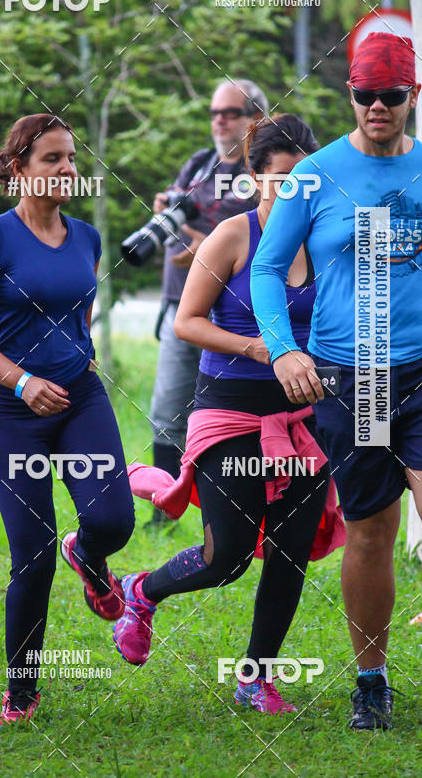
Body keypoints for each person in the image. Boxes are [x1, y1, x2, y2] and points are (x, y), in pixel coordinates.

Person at [251, 33, 422, 730]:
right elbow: (265, 269)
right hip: (356, 375)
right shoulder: (314, 175)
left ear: (414, 96)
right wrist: (284, 350)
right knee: (371, 530)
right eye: (365, 95)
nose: (378, 107)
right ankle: (371, 679)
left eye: (391, 96)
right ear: (350, 95)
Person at [113, 115, 345, 714]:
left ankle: (255, 677)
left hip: (304, 420)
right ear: (255, 178)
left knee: (292, 554)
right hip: (230, 414)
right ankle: (142, 589)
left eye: (308, 180)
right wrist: (256, 346)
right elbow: (187, 322)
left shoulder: (328, 241)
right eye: (283, 180)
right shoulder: (233, 237)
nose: (296, 192)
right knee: (229, 558)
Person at [0, 114, 134, 723]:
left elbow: (76, 319)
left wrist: (72, 369)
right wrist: (22, 379)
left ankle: (88, 555)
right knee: (32, 556)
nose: (68, 170)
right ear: (19, 169)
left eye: (70, 159)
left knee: (113, 520)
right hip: (11, 412)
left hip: (78, 399)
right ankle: (22, 688)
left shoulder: (87, 238)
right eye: (53, 160)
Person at [147, 79, 269, 521]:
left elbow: (261, 240)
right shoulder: (199, 164)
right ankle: (163, 511)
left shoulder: (262, 172)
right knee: (167, 409)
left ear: (254, 118)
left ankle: (235, 507)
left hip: (238, 318)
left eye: (230, 113)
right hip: (184, 306)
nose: (219, 121)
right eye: (214, 112)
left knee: (233, 419)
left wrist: (207, 246)